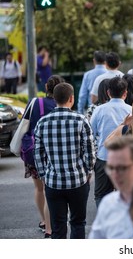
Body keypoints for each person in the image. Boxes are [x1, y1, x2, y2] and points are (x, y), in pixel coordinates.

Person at [34, 83, 95, 239]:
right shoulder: (81, 120)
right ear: (71, 98)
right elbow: (90, 151)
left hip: (53, 182)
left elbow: (38, 154)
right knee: (78, 223)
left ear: (54, 99)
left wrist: (43, 175)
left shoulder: (42, 122)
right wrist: (88, 171)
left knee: (58, 226)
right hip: (78, 181)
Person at [21, 75, 65, 238]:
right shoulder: (62, 105)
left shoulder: (34, 103)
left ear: (46, 87)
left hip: (33, 151)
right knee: (50, 190)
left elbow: (24, 125)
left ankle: (44, 221)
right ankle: (50, 226)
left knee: (39, 188)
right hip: (53, 152)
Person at [90, 76, 132, 207]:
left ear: (108, 92)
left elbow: (92, 133)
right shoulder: (131, 110)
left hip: (104, 157)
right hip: (126, 159)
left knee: (101, 195)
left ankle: (105, 222)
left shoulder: (99, 109)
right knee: (125, 194)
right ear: (125, 93)